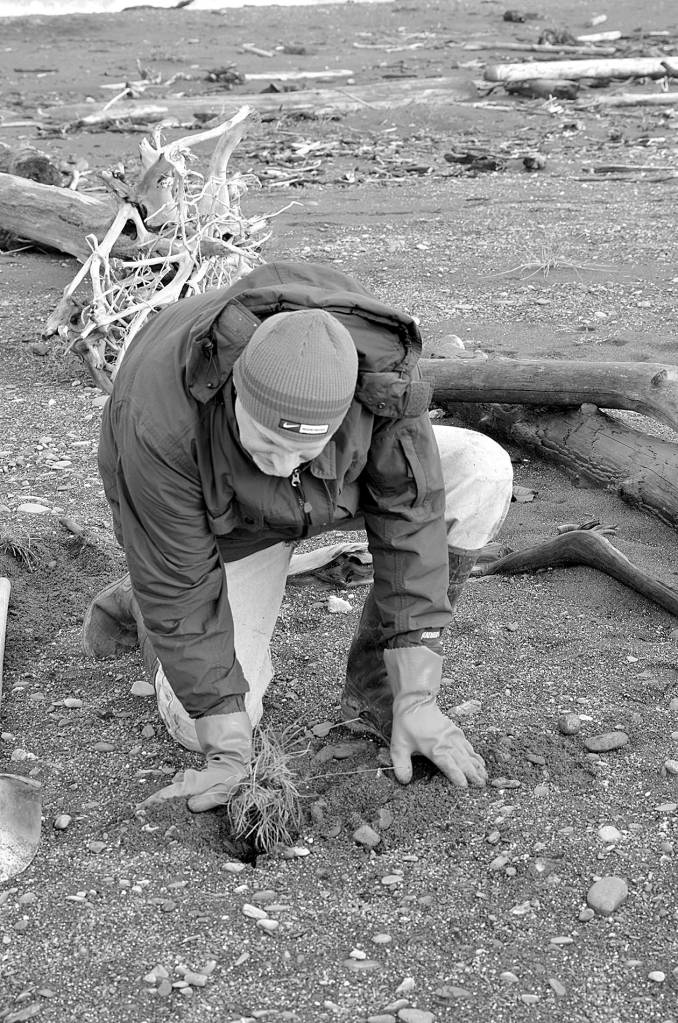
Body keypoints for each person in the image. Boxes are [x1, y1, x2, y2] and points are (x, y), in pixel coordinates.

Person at [83, 261, 513, 812]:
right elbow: (178, 580)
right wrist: (229, 751)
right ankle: (140, 605)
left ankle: (382, 699)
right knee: (202, 728)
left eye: (301, 448)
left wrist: (417, 691)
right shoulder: (159, 421)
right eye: (263, 443)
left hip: (328, 491)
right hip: (215, 528)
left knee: (481, 467)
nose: (279, 462)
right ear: (236, 390)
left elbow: (412, 516)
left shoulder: (380, 381)